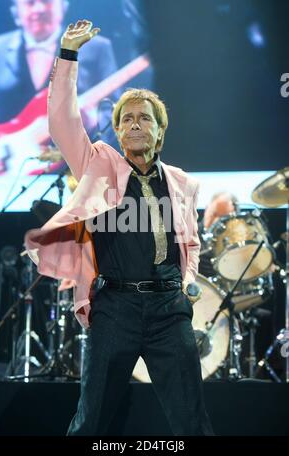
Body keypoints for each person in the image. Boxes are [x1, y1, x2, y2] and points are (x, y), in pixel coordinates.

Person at [24, 19, 213, 436]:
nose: (133, 124)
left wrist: (187, 282)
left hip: (169, 311)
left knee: (192, 423)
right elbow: (62, 121)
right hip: (115, 309)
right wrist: (68, 54)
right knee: (89, 422)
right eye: (126, 118)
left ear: (159, 131)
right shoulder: (99, 165)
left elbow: (191, 242)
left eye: (143, 118)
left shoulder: (183, 183)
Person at [0, 0, 119, 175]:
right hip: (2, 171)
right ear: (15, 12)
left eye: (47, 1)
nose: (39, 9)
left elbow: (115, 112)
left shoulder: (96, 48)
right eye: (30, 3)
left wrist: (92, 122)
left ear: (63, 7)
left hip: (73, 172)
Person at [198, 192, 238, 278]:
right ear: (206, 209)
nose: (216, 221)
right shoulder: (187, 235)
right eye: (214, 214)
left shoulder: (238, 243)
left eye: (223, 218)